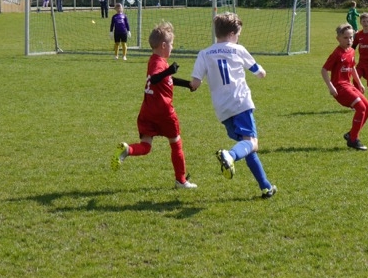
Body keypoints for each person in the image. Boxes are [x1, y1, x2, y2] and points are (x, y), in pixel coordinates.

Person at [190, 12, 277, 199]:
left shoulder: (204, 53)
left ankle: (266, 187)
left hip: (222, 109)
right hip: (241, 103)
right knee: (251, 143)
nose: (238, 38)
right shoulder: (238, 50)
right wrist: (262, 72)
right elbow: (259, 72)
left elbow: (195, 83)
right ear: (231, 34)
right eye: (238, 35)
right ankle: (230, 155)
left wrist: (191, 84)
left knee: (247, 146)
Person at [111, 21, 197, 189]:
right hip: (164, 111)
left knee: (146, 146)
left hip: (148, 110)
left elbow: (165, 79)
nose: (172, 47)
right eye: (171, 44)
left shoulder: (154, 60)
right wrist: (170, 70)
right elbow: (157, 78)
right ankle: (181, 180)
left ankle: (127, 150)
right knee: (176, 143)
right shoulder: (159, 63)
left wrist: (187, 84)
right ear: (163, 45)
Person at [321, 23, 368, 151]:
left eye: (351, 37)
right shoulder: (337, 54)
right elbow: (324, 70)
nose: (349, 40)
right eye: (345, 38)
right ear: (338, 38)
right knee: (361, 108)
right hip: (340, 88)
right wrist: (330, 87)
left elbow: (352, 67)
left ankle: (351, 134)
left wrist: (359, 83)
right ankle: (353, 140)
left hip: (349, 85)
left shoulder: (351, 51)